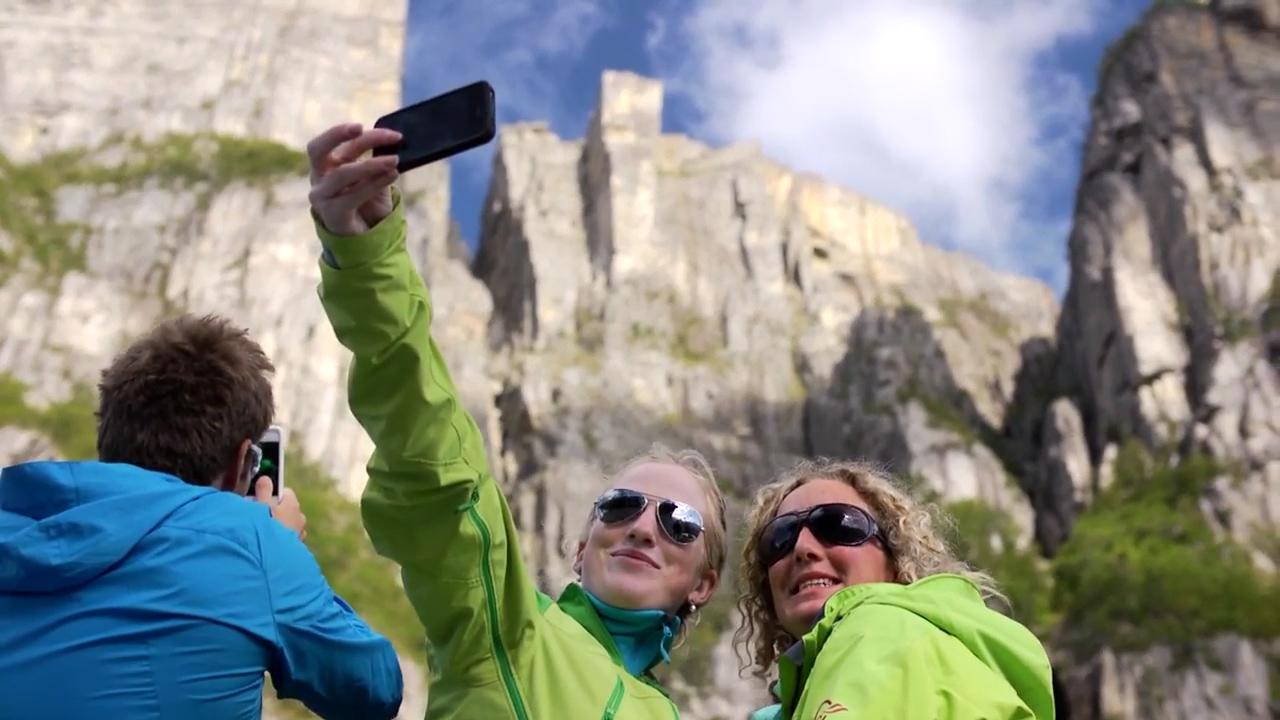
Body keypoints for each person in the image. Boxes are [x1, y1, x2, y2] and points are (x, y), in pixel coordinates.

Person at [307, 122, 727, 719]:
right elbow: (440, 470)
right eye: (620, 506)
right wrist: (369, 256)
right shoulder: (503, 630)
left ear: (704, 584)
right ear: (581, 548)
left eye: (680, 523)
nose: (642, 527)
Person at [0, 314, 403, 720]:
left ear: (109, 437)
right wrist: (277, 545)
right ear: (241, 463)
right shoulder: (252, 543)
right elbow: (374, 691)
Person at [737, 458, 1055, 720]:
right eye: (780, 536)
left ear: (895, 562)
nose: (802, 547)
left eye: (838, 525)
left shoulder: (876, 628)